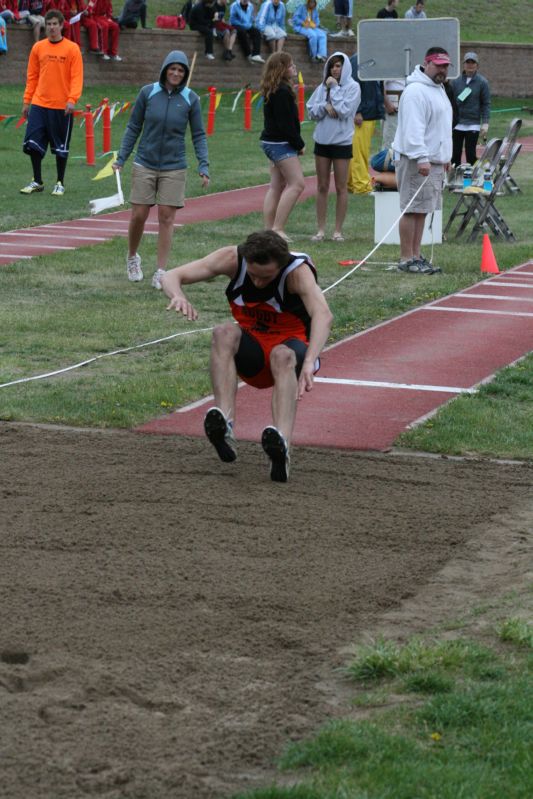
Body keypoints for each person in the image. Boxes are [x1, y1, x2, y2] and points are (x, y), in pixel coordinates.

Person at [161, 230, 333, 482]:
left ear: (281, 267)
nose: (259, 283)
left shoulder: (297, 273)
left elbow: (324, 315)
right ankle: (225, 424)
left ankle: (281, 446)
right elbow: (172, 275)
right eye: (253, 276)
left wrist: (309, 362)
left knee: (282, 355)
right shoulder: (232, 258)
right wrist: (177, 295)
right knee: (223, 332)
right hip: (254, 351)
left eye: (267, 277)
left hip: (293, 348)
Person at [113, 50, 209, 287]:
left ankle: (161, 271)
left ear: (185, 73)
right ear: (165, 69)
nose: (176, 73)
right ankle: (132, 256)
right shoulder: (148, 93)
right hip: (145, 161)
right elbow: (134, 127)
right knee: (139, 215)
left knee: (166, 217)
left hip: (174, 166)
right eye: (172, 68)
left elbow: (198, 134)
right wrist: (122, 158)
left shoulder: (191, 98)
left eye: (180, 70)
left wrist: (203, 165)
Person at [392, 46, 452, 274]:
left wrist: (444, 156)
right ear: (426, 63)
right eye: (438, 65)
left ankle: (416, 255)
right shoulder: (416, 91)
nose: (442, 70)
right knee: (411, 207)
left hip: (433, 160)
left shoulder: (438, 89)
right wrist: (421, 157)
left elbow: (441, 127)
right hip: (416, 159)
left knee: (423, 209)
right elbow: (413, 129)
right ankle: (406, 258)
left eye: (446, 66)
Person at [20, 9, 83, 196]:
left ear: (62, 25)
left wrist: (72, 100)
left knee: (60, 148)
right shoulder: (38, 48)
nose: (51, 27)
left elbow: (76, 77)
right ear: (45, 26)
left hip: (62, 106)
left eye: (55, 24)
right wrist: (26, 101)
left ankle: (60, 182)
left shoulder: (72, 49)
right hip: (39, 104)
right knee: (32, 143)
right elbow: (32, 77)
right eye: (48, 24)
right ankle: (37, 181)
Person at [307, 52, 360, 241]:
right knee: (322, 186)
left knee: (341, 187)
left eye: (338, 66)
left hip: (342, 142)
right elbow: (311, 110)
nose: (335, 69)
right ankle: (320, 229)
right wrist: (324, 107)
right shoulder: (323, 87)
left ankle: (337, 231)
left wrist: (335, 90)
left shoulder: (353, 87)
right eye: (332, 66)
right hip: (322, 141)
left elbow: (344, 111)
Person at [260, 52, 306, 241]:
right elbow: (286, 124)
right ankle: (277, 228)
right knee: (297, 184)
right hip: (280, 143)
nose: (294, 67)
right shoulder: (282, 92)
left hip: (271, 142)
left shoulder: (274, 89)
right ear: (281, 69)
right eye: (290, 65)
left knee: (276, 186)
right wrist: (299, 144)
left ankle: (269, 230)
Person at [347, 52, 384, 194]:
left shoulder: (372, 59)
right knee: (359, 152)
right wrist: (357, 110)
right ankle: (362, 186)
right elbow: (353, 86)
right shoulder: (358, 60)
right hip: (362, 114)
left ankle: (351, 184)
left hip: (369, 113)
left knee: (359, 150)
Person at [451, 52, 491, 168]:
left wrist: (485, 123)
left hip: (473, 124)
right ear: (463, 65)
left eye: (472, 62)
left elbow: (486, 103)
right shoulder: (456, 81)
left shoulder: (482, 82)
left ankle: (472, 181)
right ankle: (453, 180)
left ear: (477, 65)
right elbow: (450, 102)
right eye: (467, 62)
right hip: (457, 124)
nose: (470, 65)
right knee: (455, 155)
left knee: (471, 154)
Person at [381, 77, 405, 149]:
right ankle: (388, 160)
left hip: (410, 107)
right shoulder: (389, 65)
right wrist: (387, 104)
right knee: (391, 142)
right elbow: (380, 83)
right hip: (393, 108)